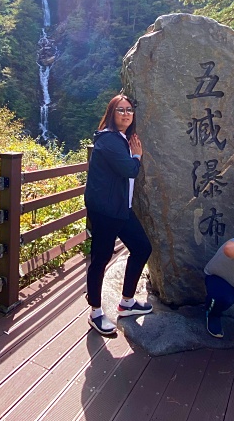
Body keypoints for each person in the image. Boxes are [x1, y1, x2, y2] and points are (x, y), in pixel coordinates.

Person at [84, 94, 153, 335]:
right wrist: (137, 156)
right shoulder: (109, 140)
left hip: (120, 208)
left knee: (142, 248)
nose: (126, 114)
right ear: (111, 113)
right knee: (100, 258)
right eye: (120, 110)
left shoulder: (120, 138)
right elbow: (129, 170)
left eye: (129, 110)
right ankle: (95, 312)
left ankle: (127, 302)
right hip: (106, 211)